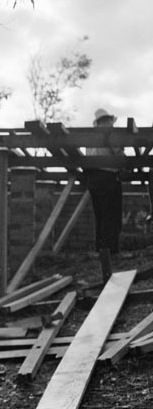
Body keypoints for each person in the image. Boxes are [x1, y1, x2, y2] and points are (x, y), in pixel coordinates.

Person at [82, 107, 125, 281]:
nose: (110, 124)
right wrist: (129, 163)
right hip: (108, 177)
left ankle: (100, 249)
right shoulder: (109, 135)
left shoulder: (89, 139)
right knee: (111, 214)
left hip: (93, 179)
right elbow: (119, 154)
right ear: (106, 122)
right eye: (108, 121)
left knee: (100, 215)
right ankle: (111, 251)